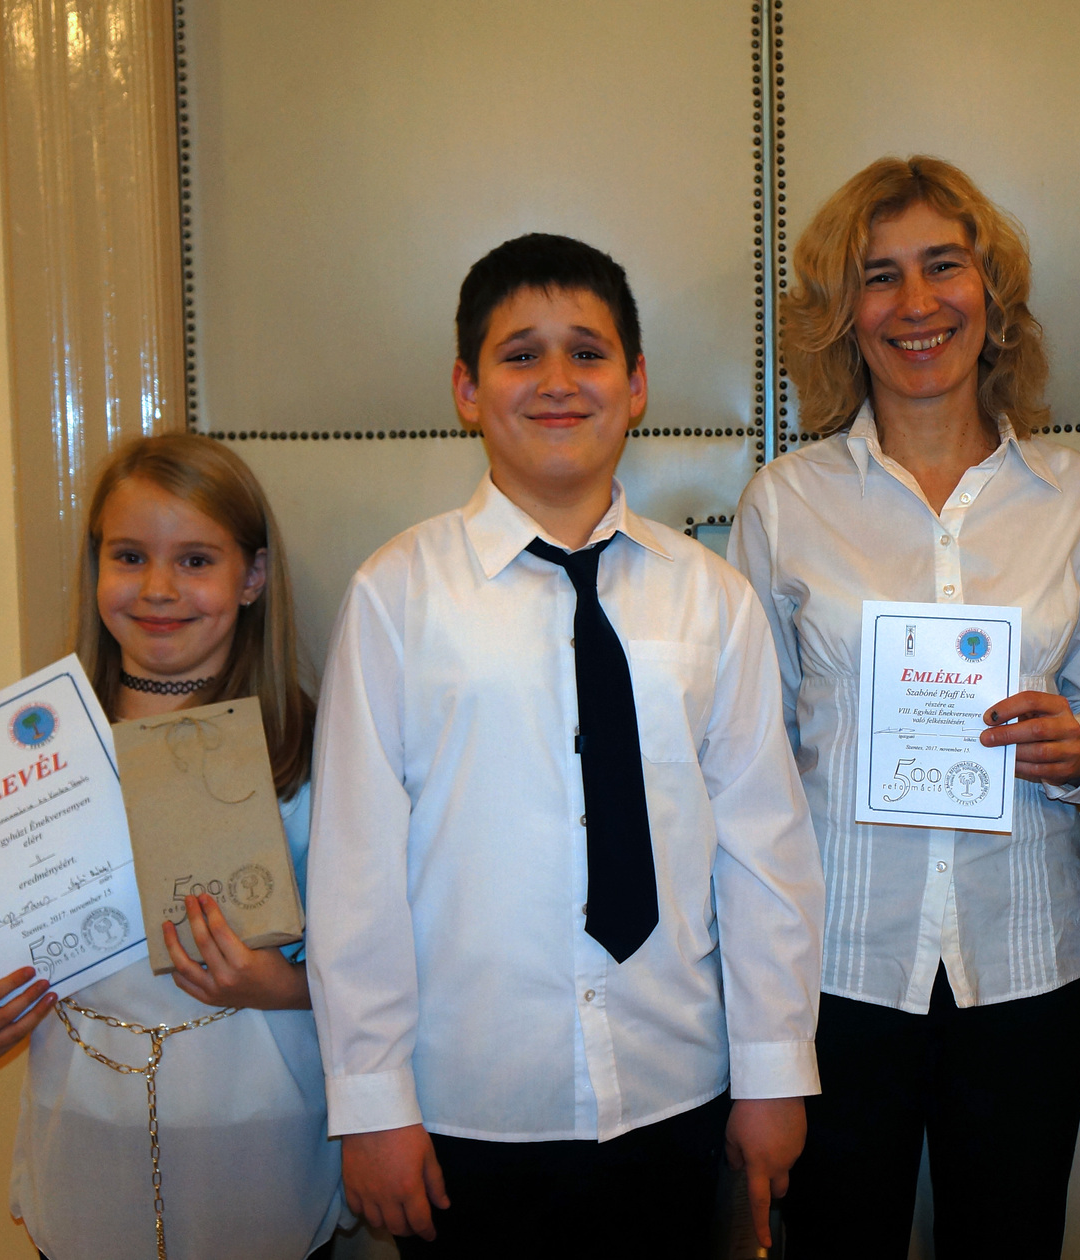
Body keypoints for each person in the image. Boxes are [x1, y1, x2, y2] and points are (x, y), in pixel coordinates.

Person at [305, 232, 825, 1258]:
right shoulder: (397, 596)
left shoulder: (711, 600)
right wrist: (370, 1101)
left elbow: (765, 852)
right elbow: (354, 871)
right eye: (520, 355)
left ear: (636, 386)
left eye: (587, 353)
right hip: (467, 1107)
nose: (556, 381)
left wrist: (775, 1073)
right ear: (467, 388)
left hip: (675, 1090)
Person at [729, 156, 1080, 1258]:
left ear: (991, 296)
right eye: (880, 277)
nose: (916, 304)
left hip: (1029, 967)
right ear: (845, 314)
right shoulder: (784, 504)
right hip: (837, 972)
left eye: (943, 267)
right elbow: (750, 759)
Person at [0, 434, 345, 1260]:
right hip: (86, 1148)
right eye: (129, 557)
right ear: (97, 570)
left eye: (196, 560)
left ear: (252, 577)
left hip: (262, 1152)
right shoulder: (31, 759)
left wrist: (283, 986)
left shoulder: (312, 749)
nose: (159, 588)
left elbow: (380, 973)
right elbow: (10, 941)